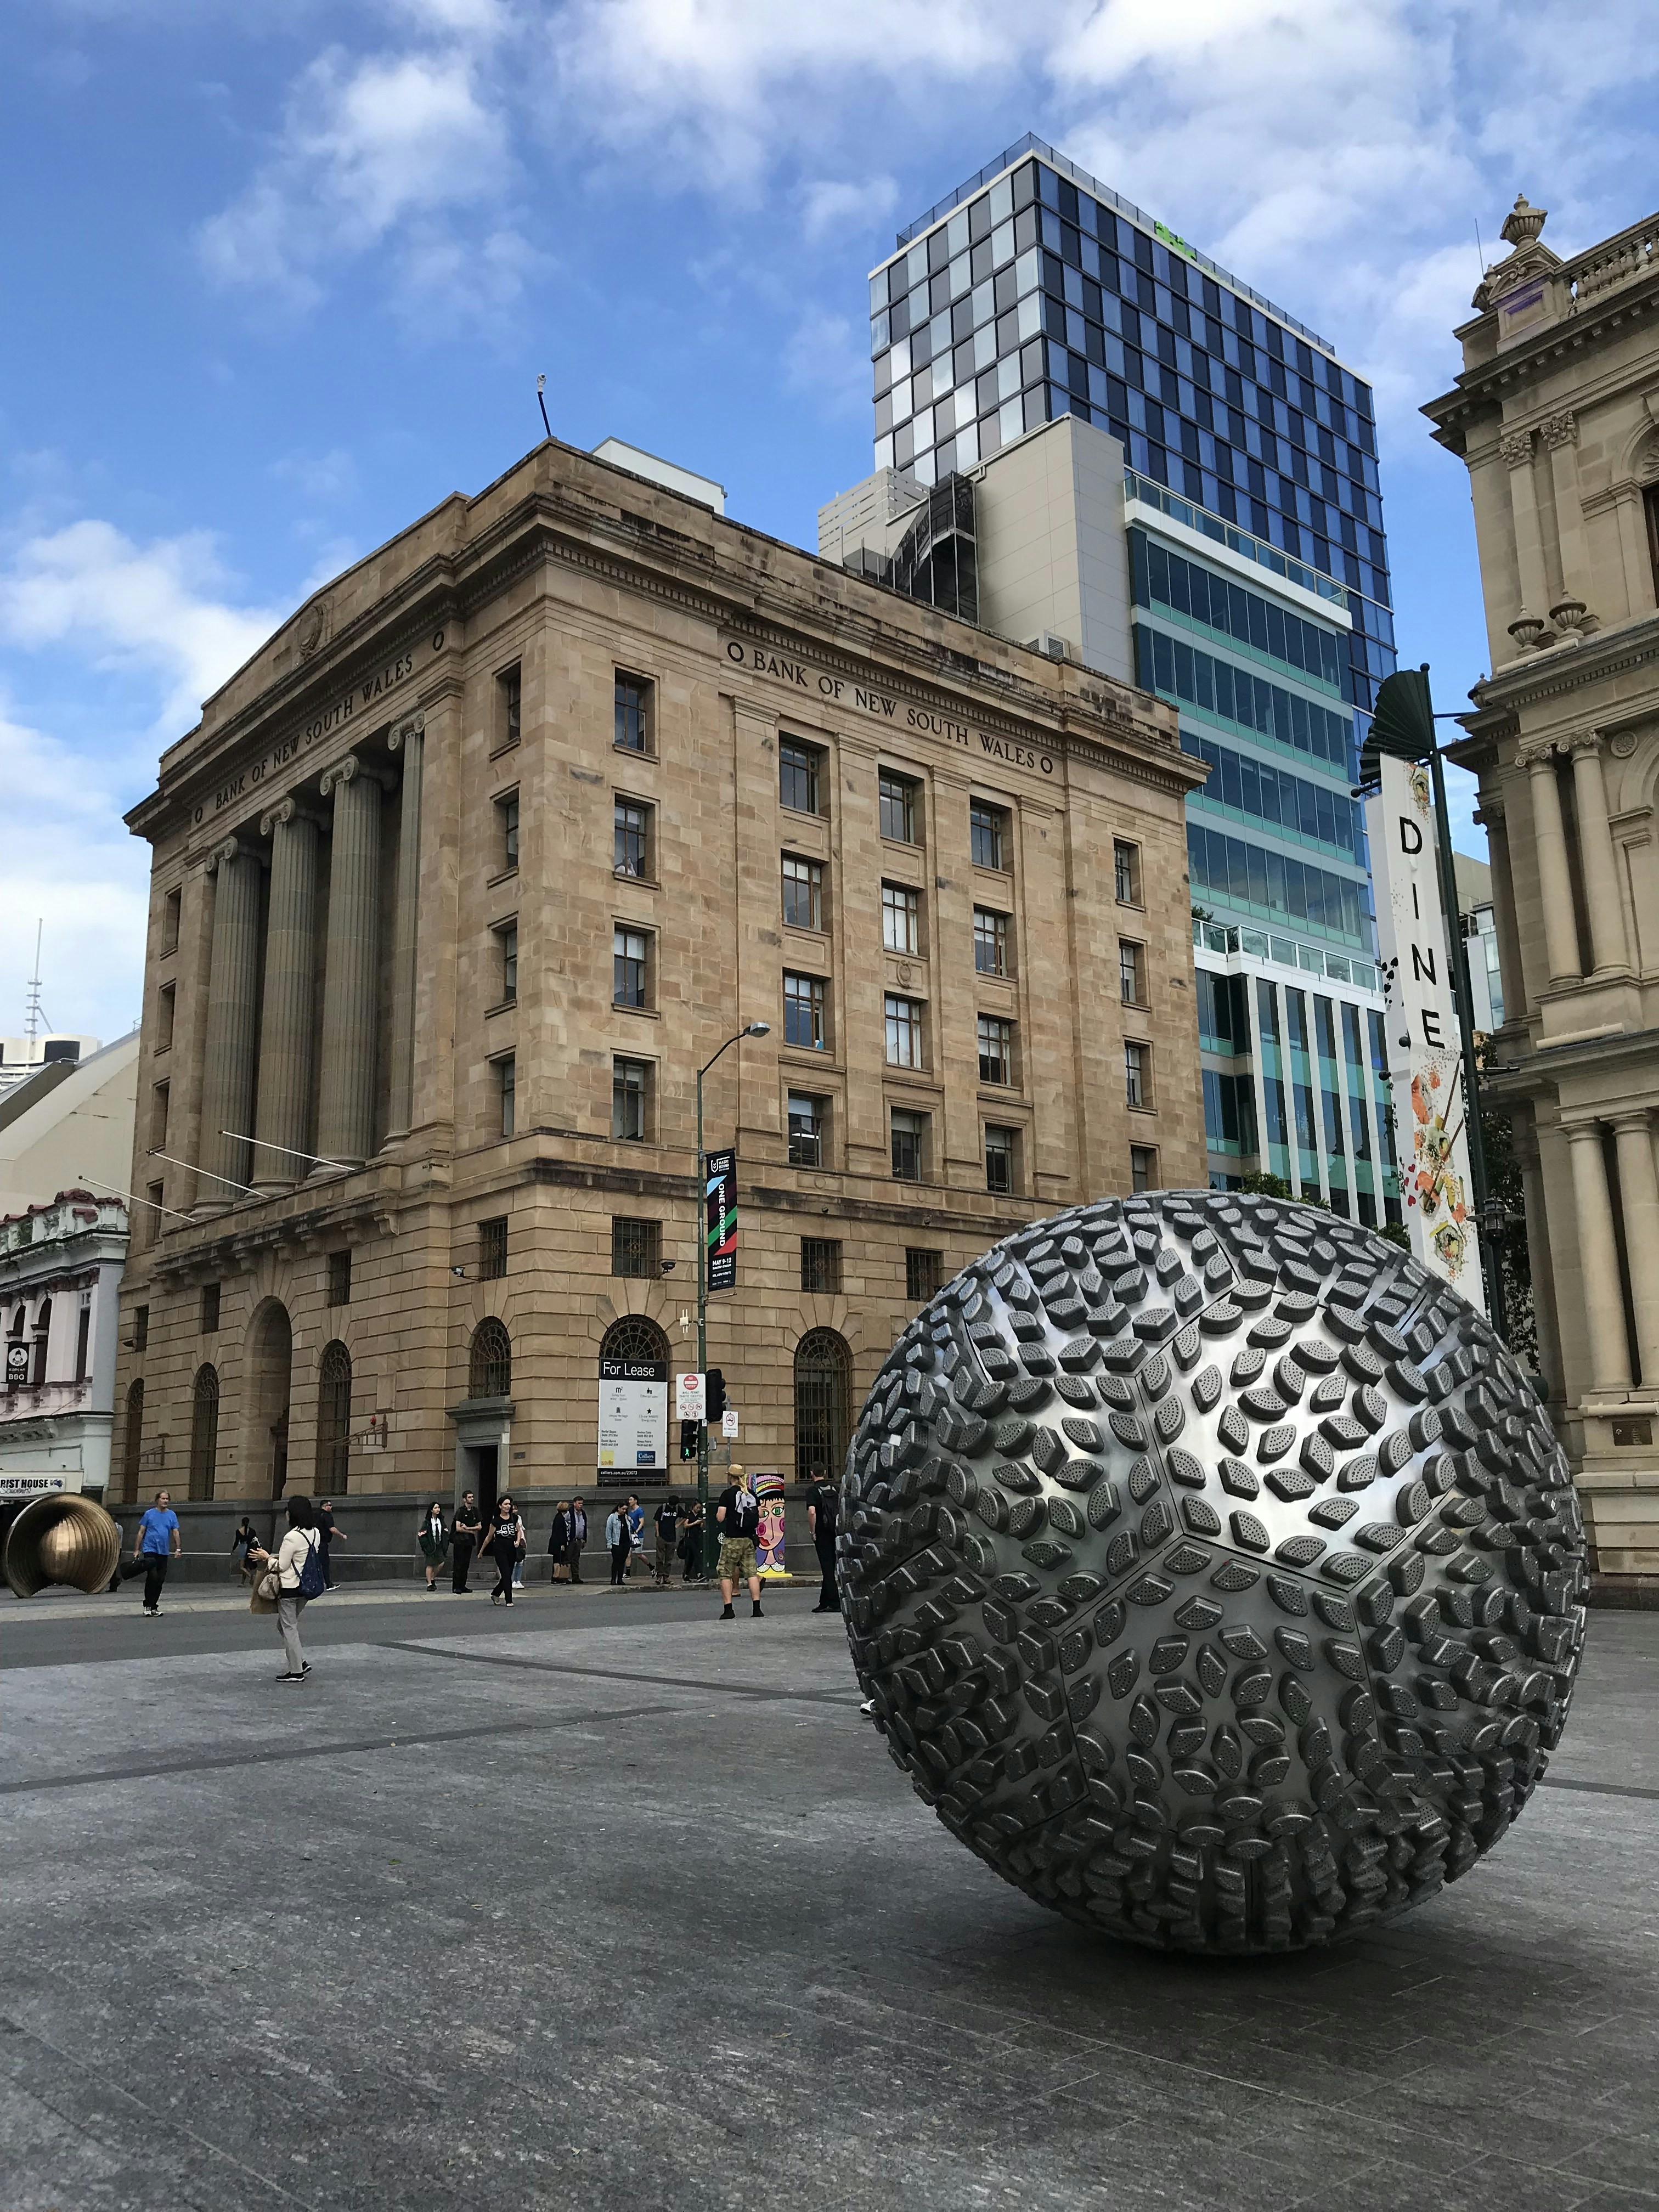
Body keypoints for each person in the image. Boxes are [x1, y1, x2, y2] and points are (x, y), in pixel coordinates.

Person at [250, 1494, 321, 1682]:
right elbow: (300, 1558)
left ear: (292, 1514)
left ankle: (297, 1671)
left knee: (289, 1628)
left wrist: (266, 1557)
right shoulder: (315, 1533)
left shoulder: (291, 1537)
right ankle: (300, 1661)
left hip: (289, 1589)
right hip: (306, 1588)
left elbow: (281, 1566)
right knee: (284, 1626)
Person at [119, 1488, 180, 1616]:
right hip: (150, 1550)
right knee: (153, 1577)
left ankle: (154, 1607)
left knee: (160, 1580)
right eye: (163, 1499)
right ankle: (148, 1606)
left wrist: (178, 1548)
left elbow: (175, 1532)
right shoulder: (149, 1514)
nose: (165, 1501)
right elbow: (141, 1532)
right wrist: (137, 1549)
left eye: (167, 1499)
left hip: (163, 1551)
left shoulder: (172, 1515)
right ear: (157, 1500)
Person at [715, 1471, 763, 1622]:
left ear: (731, 1478)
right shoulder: (751, 1493)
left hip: (733, 1540)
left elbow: (720, 1517)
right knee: (752, 1573)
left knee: (724, 1572)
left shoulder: (727, 1494)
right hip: (749, 1539)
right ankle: (757, 1609)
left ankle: (728, 1609)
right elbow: (760, 1513)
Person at [807, 1473, 839, 1614]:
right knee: (830, 1566)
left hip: (822, 1532)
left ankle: (834, 1602)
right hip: (836, 1531)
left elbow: (812, 1512)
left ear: (812, 1474)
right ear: (825, 1473)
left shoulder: (813, 1491)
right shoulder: (835, 1488)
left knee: (827, 1568)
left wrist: (813, 1532)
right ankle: (824, 1601)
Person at [484, 1494, 525, 1606]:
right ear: (500, 1506)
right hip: (500, 1548)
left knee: (508, 1574)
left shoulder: (514, 1518)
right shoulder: (496, 1521)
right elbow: (489, 1537)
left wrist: (518, 1541)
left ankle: (496, 1593)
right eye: (506, 1504)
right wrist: (481, 1551)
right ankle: (509, 1600)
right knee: (506, 1574)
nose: (508, 1506)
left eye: (509, 1504)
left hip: (512, 1548)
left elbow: (519, 1531)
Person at [312, 1497, 346, 1589]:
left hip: (314, 1542)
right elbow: (332, 1529)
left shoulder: (316, 1515)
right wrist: (342, 1535)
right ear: (325, 1506)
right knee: (325, 1564)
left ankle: (314, 1583)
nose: (331, 1507)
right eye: (330, 1505)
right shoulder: (327, 1516)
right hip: (323, 1543)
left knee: (316, 1563)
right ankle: (328, 1584)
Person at [452, 1491, 482, 1594]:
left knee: (466, 1564)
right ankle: (456, 1586)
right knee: (458, 1564)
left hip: (469, 1541)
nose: (472, 1499)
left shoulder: (475, 1511)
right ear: (465, 1499)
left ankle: (463, 1585)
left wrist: (468, 1528)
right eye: (469, 1497)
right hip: (460, 1541)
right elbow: (458, 1528)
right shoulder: (461, 1511)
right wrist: (471, 1531)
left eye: (472, 1497)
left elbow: (480, 1526)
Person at [417, 1500, 448, 1592]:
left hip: (439, 1545)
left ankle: (432, 1577)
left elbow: (445, 1532)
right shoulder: (427, 1523)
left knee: (441, 1563)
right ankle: (430, 1583)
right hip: (431, 1545)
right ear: (431, 1510)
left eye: (438, 1508)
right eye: (435, 1508)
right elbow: (421, 1534)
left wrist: (445, 1542)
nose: (438, 1509)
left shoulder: (441, 1521)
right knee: (430, 1564)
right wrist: (426, 1545)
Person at [653, 1494, 682, 1587]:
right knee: (660, 1558)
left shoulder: (677, 1509)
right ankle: (659, 1576)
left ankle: (666, 1577)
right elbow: (657, 1520)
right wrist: (657, 1533)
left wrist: (678, 1524)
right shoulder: (663, 1508)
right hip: (662, 1536)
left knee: (669, 1559)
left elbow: (686, 1516)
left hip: (672, 1537)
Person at [230, 1514, 261, 1586]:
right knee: (246, 1566)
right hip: (250, 1548)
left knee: (242, 1567)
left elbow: (237, 1542)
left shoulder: (239, 1531)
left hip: (242, 1547)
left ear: (242, 1523)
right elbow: (255, 1540)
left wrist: (233, 1549)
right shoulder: (252, 1531)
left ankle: (251, 1577)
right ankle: (243, 1583)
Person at [606, 1502, 631, 1588]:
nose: (624, 1511)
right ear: (619, 1508)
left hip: (626, 1542)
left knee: (622, 1561)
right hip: (617, 1542)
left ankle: (620, 1579)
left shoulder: (626, 1517)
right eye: (623, 1509)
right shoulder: (613, 1517)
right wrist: (610, 1542)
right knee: (616, 1561)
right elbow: (609, 1530)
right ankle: (613, 1579)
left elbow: (631, 1526)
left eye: (626, 1509)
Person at [680, 1497, 706, 1582]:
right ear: (694, 1507)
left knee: (691, 1557)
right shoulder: (689, 1515)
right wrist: (695, 1523)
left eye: (700, 1508)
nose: (698, 1510)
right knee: (696, 1555)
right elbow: (685, 1525)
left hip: (696, 1537)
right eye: (697, 1508)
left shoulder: (700, 1515)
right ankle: (699, 1574)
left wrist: (702, 1523)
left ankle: (686, 1575)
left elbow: (702, 1528)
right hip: (689, 1538)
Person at [547, 1500, 571, 1583]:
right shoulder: (560, 1519)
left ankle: (560, 1576)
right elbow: (559, 1533)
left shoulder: (560, 1518)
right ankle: (556, 1577)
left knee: (559, 1560)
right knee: (558, 1560)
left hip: (557, 1543)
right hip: (558, 1543)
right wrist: (562, 1544)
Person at [625, 1493, 646, 1578]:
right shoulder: (630, 1512)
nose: (629, 1501)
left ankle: (651, 1567)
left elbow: (642, 1522)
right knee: (628, 1554)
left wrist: (637, 1531)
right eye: (629, 1500)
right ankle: (628, 1573)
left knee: (639, 1554)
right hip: (630, 1535)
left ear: (635, 1501)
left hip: (638, 1535)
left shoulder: (640, 1511)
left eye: (631, 1500)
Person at [568, 1497, 587, 1585]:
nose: (581, 1505)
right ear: (574, 1503)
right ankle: (565, 1577)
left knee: (576, 1560)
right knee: (568, 1559)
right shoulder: (570, 1512)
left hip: (579, 1539)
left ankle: (576, 1577)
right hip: (571, 1539)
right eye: (579, 1503)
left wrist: (584, 1539)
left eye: (582, 1504)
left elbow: (584, 1527)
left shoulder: (583, 1513)